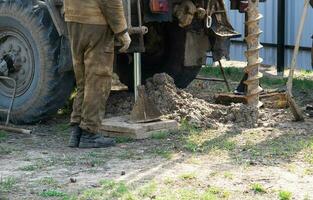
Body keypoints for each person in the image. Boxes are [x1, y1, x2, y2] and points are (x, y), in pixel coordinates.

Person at [64, 0, 131, 148]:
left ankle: (77, 131)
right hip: (96, 22)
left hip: (73, 18)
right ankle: (89, 133)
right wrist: (122, 30)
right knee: (97, 80)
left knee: (83, 79)